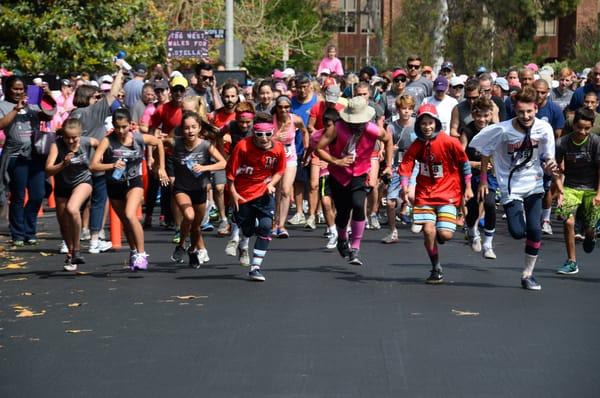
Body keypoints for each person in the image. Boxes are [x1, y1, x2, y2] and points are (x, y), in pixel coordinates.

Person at [470, 87, 557, 291]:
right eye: (520, 112)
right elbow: (484, 151)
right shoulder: (502, 130)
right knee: (518, 233)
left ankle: (528, 274)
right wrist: (483, 180)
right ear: (514, 111)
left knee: (535, 230)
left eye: (529, 111)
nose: (525, 116)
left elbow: (546, 156)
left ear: (536, 108)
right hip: (511, 187)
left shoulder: (544, 129)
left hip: (534, 184)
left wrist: (550, 165)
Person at [399, 104, 473, 284]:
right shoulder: (417, 145)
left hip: (448, 192)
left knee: (445, 235)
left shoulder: (449, 142)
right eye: (423, 123)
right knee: (427, 231)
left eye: (430, 123)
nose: (427, 127)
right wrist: (405, 186)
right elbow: (406, 165)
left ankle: (442, 232)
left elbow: (465, 164)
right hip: (425, 194)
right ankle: (436, 268)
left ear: (436, 123)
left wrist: (468, 186)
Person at [316, 96, 393, 266]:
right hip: (338, 175)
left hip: (360, 173)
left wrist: (388, 165)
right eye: (355, 122)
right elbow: (319, 148)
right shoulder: (336, 128)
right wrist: (336, 161)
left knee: (359, 205)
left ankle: (355, 248)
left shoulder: (373, 129)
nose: (358, 125)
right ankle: (342, 239)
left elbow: (388, 140)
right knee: (342, 213)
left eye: (361, 122)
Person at [90, 108, 168, 270]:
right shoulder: (108, 141)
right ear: (113, 126)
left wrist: (161, 167)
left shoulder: (138, 138)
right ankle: (133, 251)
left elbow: (158, 142)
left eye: (124, 127)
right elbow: (94, 164)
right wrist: (112, 165)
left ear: (130, 125)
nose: (121, 131)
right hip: (114, 184)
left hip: (133, 182)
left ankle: (141, 254)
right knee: (126, 222)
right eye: (117, 127)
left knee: (130, 215)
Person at [70, 62, 125, 254]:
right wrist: (119, 72)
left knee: (75, 203)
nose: (99, 99)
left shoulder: (73, 114)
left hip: (76, 165)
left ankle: (68, 241)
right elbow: (114, 92)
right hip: (95, 164)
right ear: (87, 97)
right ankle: (94, 240)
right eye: (96, 96)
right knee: (98, 201)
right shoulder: (94, 110)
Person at [226, 113, 286, 281]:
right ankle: (241, 237)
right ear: (254, 132)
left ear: (273, 132)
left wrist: (271, 183)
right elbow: (230, 173)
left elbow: (280, 170)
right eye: (260, 134)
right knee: (248, 228)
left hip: (264, 192)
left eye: (268, 133)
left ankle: (255, 268)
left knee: (266, 226)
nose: (264, 138)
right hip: (243, 193)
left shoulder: (278, 148)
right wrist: (233, 193)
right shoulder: (242, 147)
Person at [0, 74, 56, 246]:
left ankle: (29, 229)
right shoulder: (3, 105)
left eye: (21, 89)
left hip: (35, 155)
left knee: (38, 195)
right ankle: (18, 234)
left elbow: (49, 115)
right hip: (15, 156)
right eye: (15, 88)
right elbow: (1, 124)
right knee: (18, 195)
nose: (18, 92)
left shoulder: (32, 102)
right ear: (8, 89)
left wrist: (47, 96)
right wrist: (16, 109)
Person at [165, 112, 226, 267]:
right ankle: (181, 245)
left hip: (200, 189)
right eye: (186, 128)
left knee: (196, 227)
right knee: (189, 216)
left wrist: (205, 167)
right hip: (181, 188)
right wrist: (158, 165)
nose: (190, 131)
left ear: (199, 128)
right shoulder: (176, 143)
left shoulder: (206, 145)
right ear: (182, 130)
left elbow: (223, 163)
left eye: (193, 127)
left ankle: (192, 250)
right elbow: (158, 144)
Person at [45, 118, 98, 271]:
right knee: (63, 222)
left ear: (80, 135)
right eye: (67, 137)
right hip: (63, 185)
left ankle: (77, 250)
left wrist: (100, 159)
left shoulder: (88, 142)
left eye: (74, 137)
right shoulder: (57, 144)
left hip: (83, 182)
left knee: (72, 209)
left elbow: (102, 145)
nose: (70, 140)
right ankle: (70, 253)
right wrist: (63, 164)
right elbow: (48, 169)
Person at [554, 108, 600, 275]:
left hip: (591, 189)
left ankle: (590, 234)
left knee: (589, 227)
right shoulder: (562, 143)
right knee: (568, 222)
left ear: (591, 127)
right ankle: (572, 261)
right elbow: (557, 170)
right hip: (570, 188)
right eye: (579, 127)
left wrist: (599, 194)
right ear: (573, 125)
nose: (582, 132)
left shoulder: (595, 142)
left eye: (587, 128)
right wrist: (559, 191)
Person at [459, 97, 497, 259]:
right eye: (479, 115)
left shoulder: (495, 130)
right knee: (473, 210)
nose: (482, 119)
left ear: (490, 115)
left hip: (489, 176)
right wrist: (474, 164)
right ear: (474, 115)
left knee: (489, 204)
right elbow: (459, 156)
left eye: (486, 116)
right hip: (471, 175)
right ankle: (472, 231)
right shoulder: (467, 131)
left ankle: (488, 244)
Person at [381, 94, 416, 244]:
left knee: (412, 196)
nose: (406, 111)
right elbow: (385, 148)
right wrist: (390, 153)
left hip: (415, 165)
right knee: (390, 202)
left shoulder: (417, 124)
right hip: (397, 166)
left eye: (409, 109)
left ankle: (420, 218)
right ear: (398, 110)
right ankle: (393, 231)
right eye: (403, 108)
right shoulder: (391, 127)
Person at [272, 95, 308, 237]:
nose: (283, 110)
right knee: (277, 191)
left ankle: (281, 225)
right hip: (274, 158)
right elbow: (259, 137)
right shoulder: (271, 120)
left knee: (286, 190)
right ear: (276, 107)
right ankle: (274, 222)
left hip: (290, 157)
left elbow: (305, 132)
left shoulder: (296, 119)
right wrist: (274, 138)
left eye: (286, 107)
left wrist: (306, 150)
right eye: (280, 107)